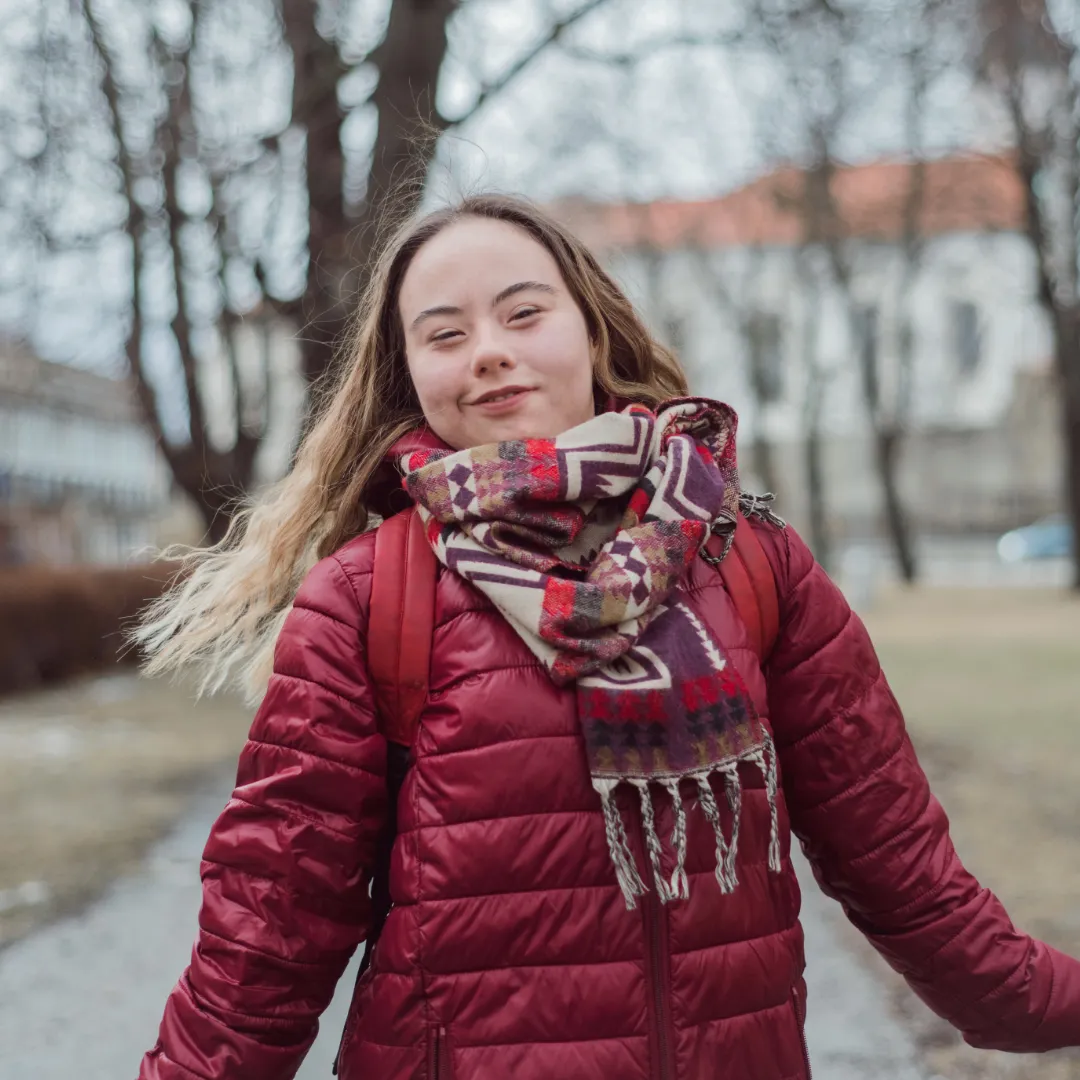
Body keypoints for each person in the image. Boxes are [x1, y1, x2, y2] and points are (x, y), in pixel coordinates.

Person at [134, 194, 1080, 1080]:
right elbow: (267, 934)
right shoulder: (369, 596)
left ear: (589, 328)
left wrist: (1045, 1002)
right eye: (446, 334)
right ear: (408, 372)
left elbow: (908, 878)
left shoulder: (750, 563)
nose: (489, 354)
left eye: (523, 313)